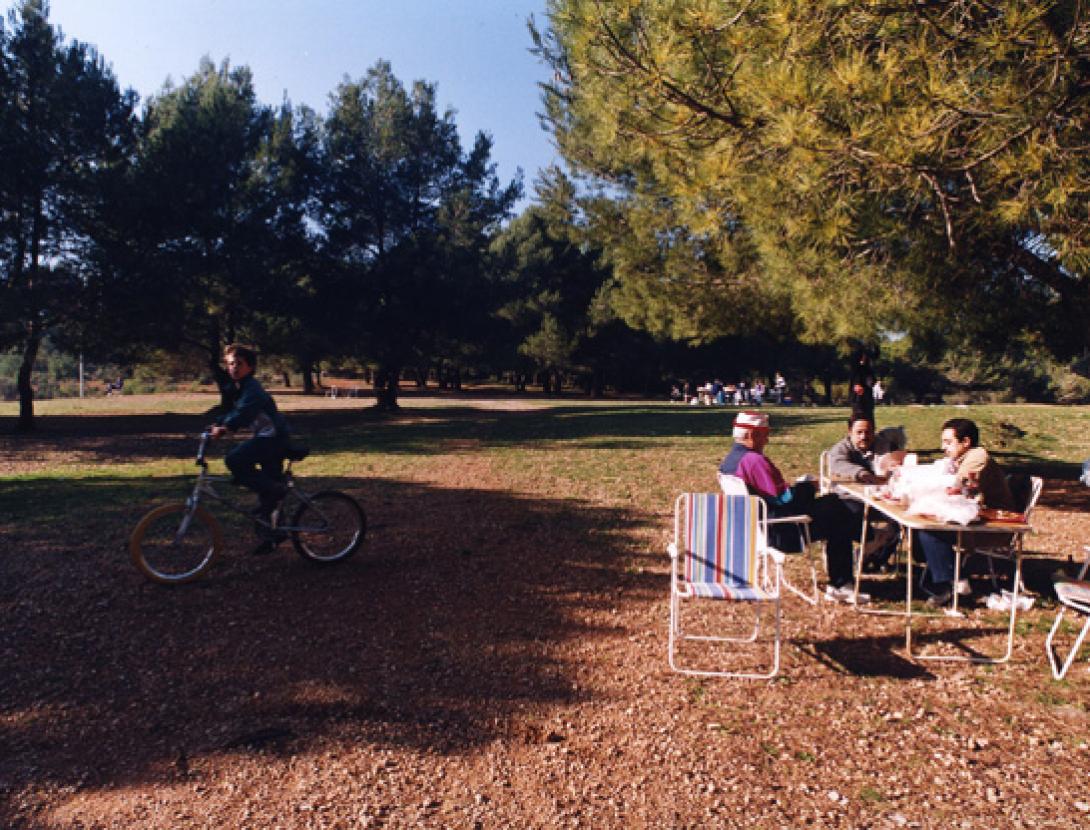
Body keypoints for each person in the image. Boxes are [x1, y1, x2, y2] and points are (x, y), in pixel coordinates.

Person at [718, 411, 866, 603]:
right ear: (750, 435)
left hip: (756, 527)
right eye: (764, 434)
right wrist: (808, 486)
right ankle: (842, 581)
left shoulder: (730, 461)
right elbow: (785, 500)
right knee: (839, 512)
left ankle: (866, 542)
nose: (767, 440)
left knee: (834, 506)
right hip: (781, 530)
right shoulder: (754, 461)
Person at [915, 417, 1016, 606]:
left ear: (966, 442)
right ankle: (949, 578)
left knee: (929, 531)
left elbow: (957, 486)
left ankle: (952, 584)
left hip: (992, 524)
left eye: (948, 442)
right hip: (973, 517)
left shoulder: (978, 457)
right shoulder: (960, 459)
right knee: (919, 526)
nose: (943, 447)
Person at [209, 344, 291, 552]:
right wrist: (217, 423)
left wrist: (226, 428)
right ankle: (272, 536)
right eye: (229, 364)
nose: (233, 368)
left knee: (234, 460)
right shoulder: (238, 387)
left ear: (250, 366)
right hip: (267, 437)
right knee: (268, 493)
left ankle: (274, 490)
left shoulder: (252, 389)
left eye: (238, 363)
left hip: (273, 438)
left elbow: (244, 412)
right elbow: (230, 411)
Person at [826, 411, 902, 570]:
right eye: (859, 432)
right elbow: (839, 465)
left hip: (882, 499)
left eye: (868, 432)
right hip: (850, 497)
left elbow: (892, 461)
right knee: (848, 514)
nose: (863, 436)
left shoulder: (882, 445)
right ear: (849, 432)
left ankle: (876, 556)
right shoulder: (840, 449)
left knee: (901, 520)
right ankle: (871, 544)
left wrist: (893, 465)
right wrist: (862, 474)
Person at [849, 349, 876, 421]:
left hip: (867, 398)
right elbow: (855, 384)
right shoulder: (855, 369)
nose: (863, 359)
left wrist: (871, 382)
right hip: (857, 399)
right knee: (858, 417)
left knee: (869, 417)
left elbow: (872, 382)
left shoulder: (868, 369)